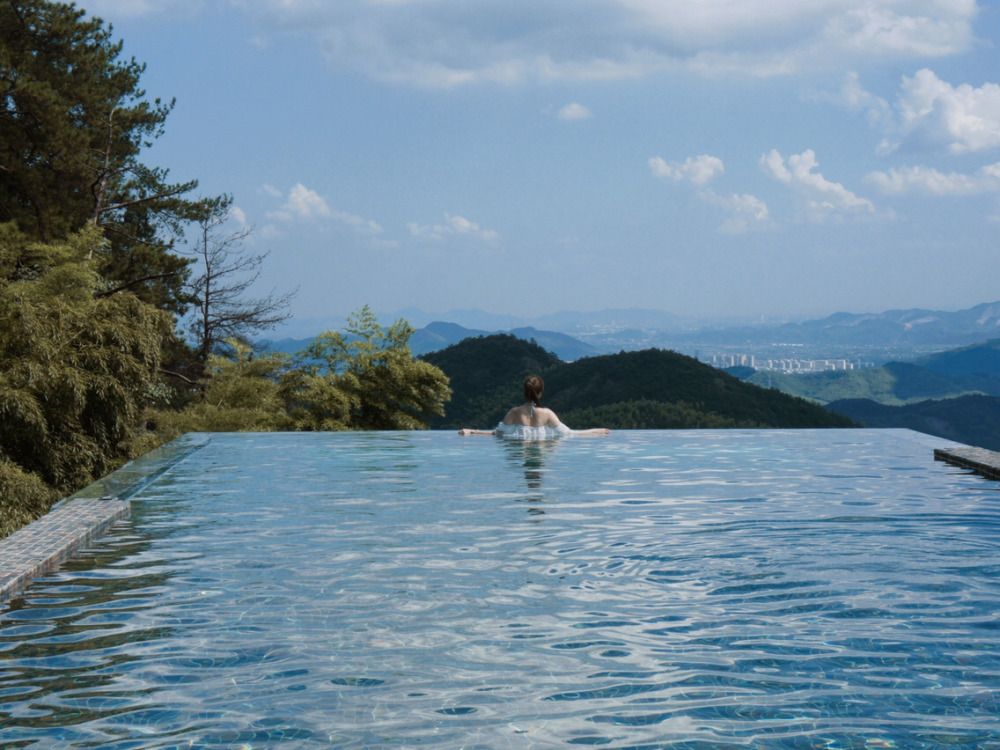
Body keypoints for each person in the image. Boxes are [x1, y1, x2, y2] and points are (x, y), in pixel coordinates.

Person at [458, 374, 609, 438]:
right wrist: (599, 431)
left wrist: (471, 431)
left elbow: (496, 434)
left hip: (519, 452)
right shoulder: (548, 414)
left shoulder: (514, 412)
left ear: (524, 392)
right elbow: (572, 434)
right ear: (541, 392)